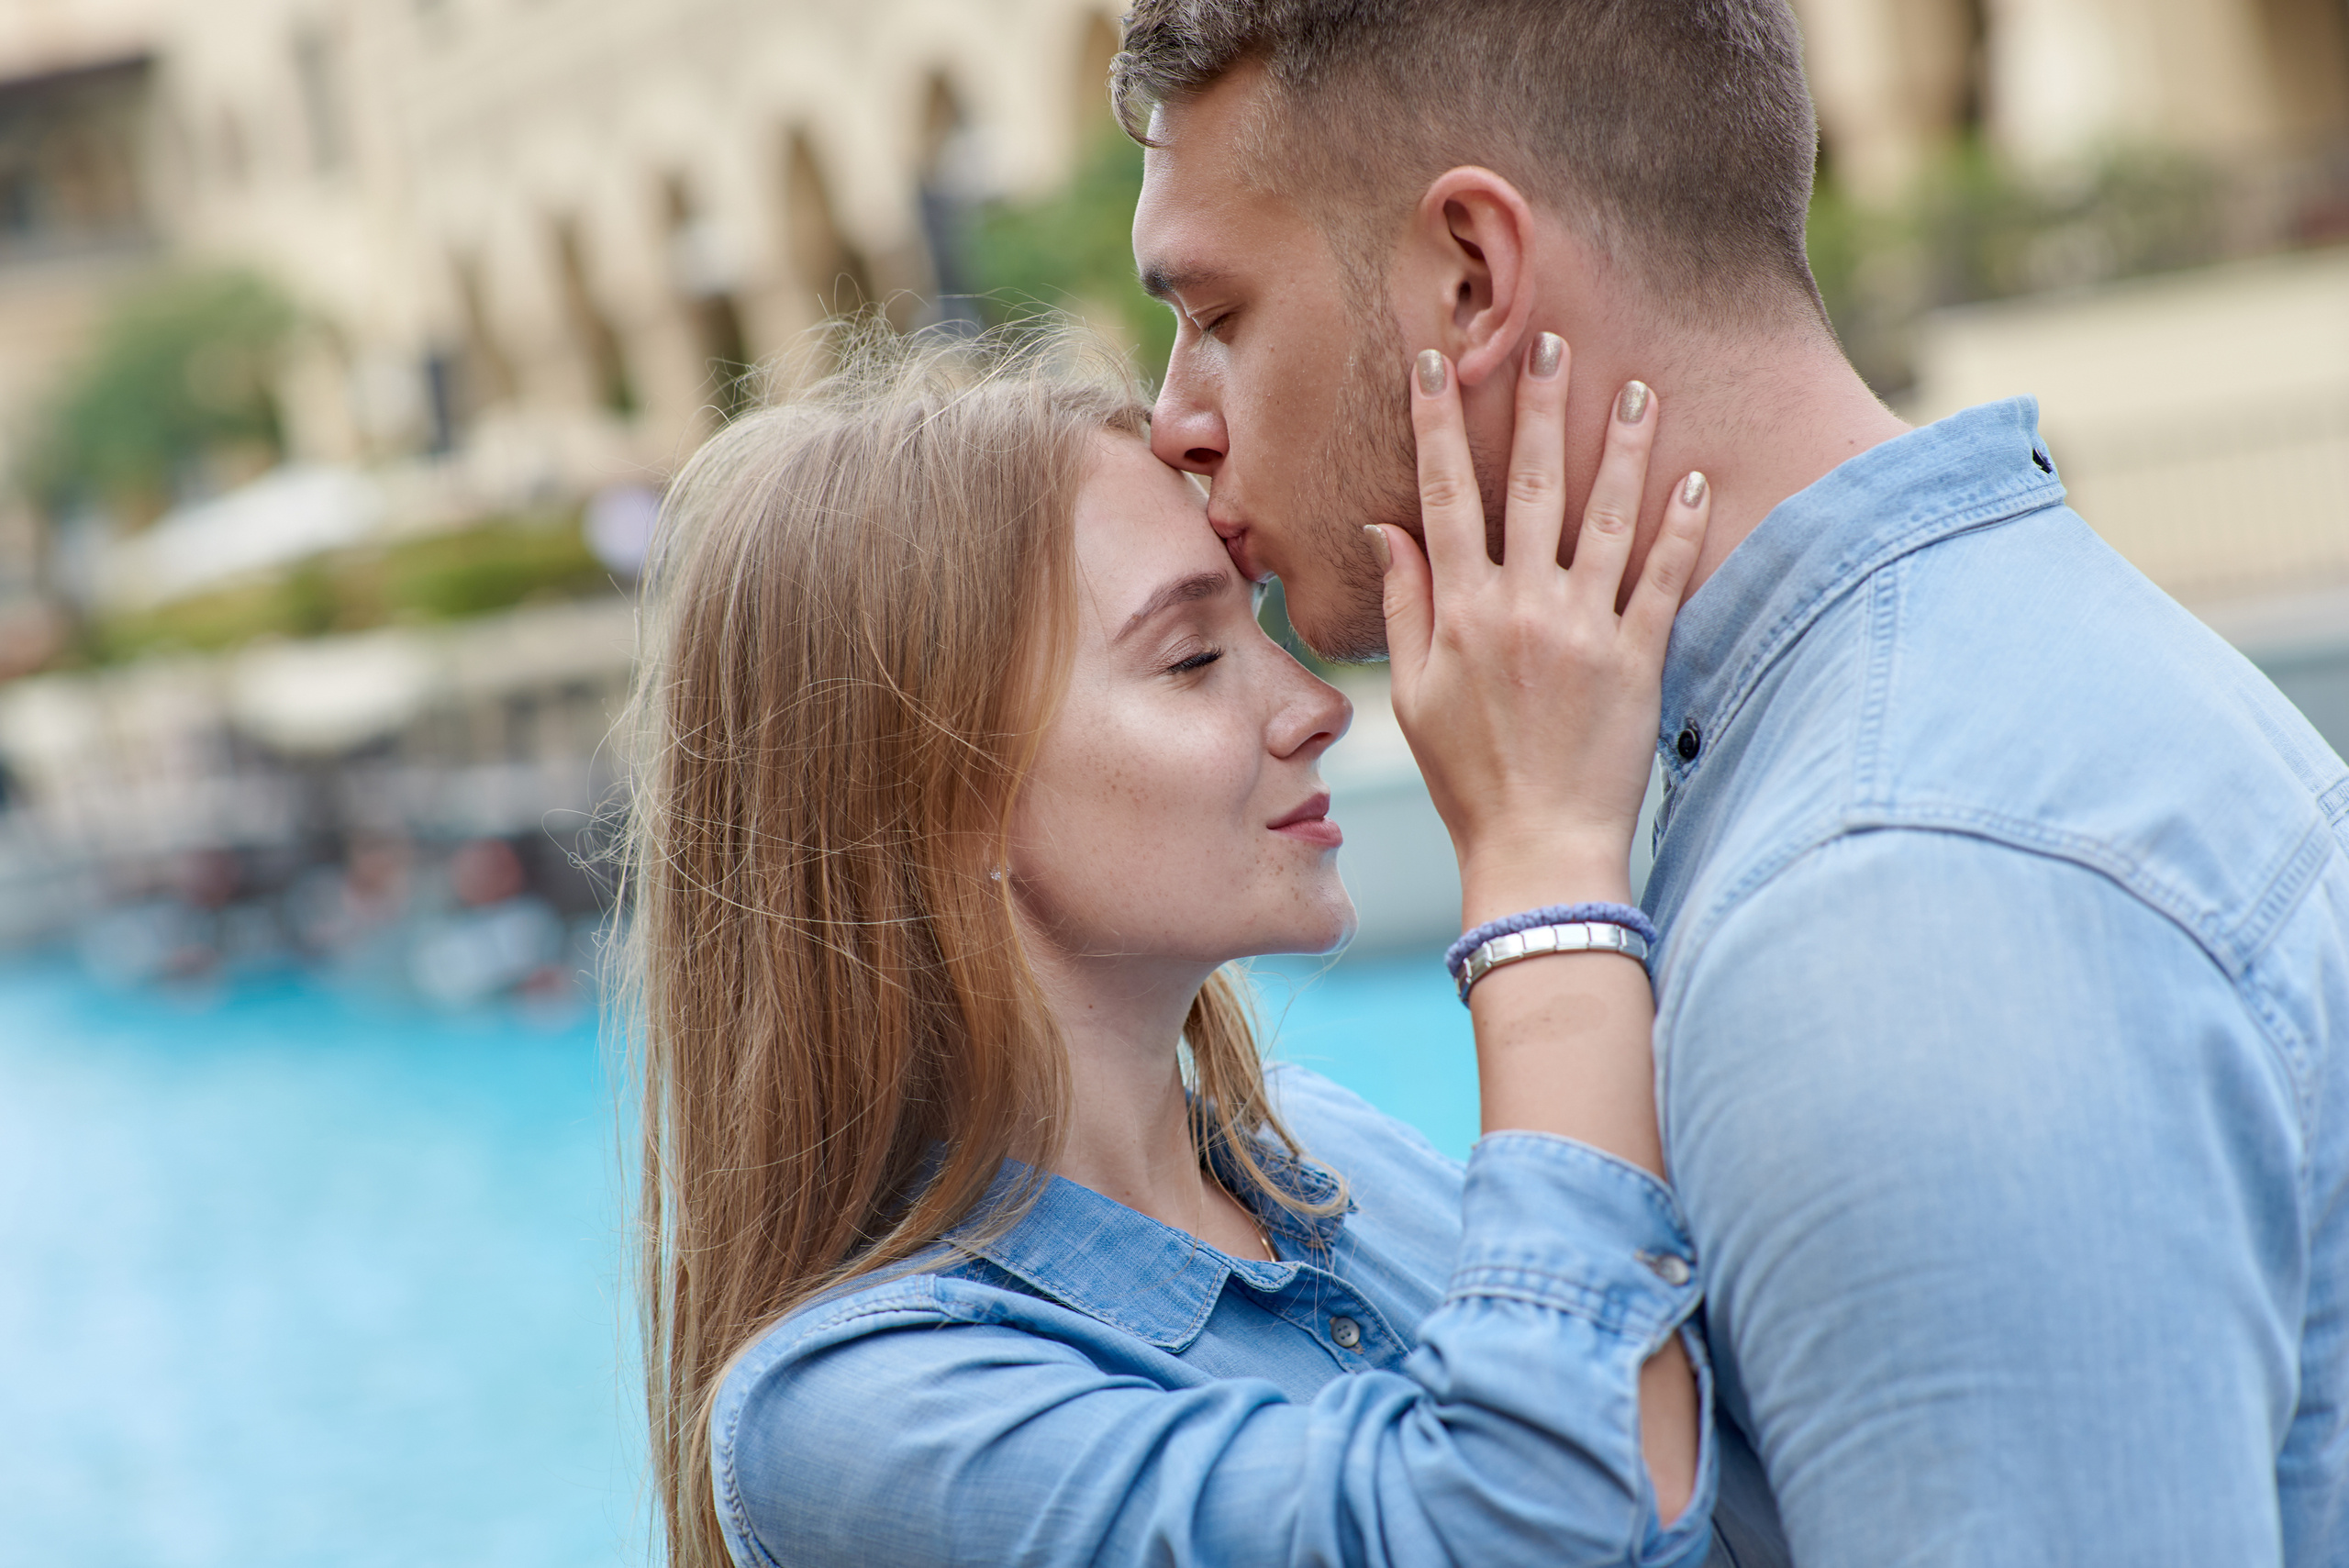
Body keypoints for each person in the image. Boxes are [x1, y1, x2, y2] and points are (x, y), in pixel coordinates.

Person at [1117, 2, 2349, 1563]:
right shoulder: (1960, 703)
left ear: (1472, 278)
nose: (1179, 422)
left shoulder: (1891, 915)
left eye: (1217, 316)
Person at [622, 326, 1726, 1567]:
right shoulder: (856, 1419)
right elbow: (1532, 1523)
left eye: (1258, 626)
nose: (1316, 707)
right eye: (1193, 658)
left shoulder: (1330, 1156)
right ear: (943, 802)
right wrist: (1542, 860)